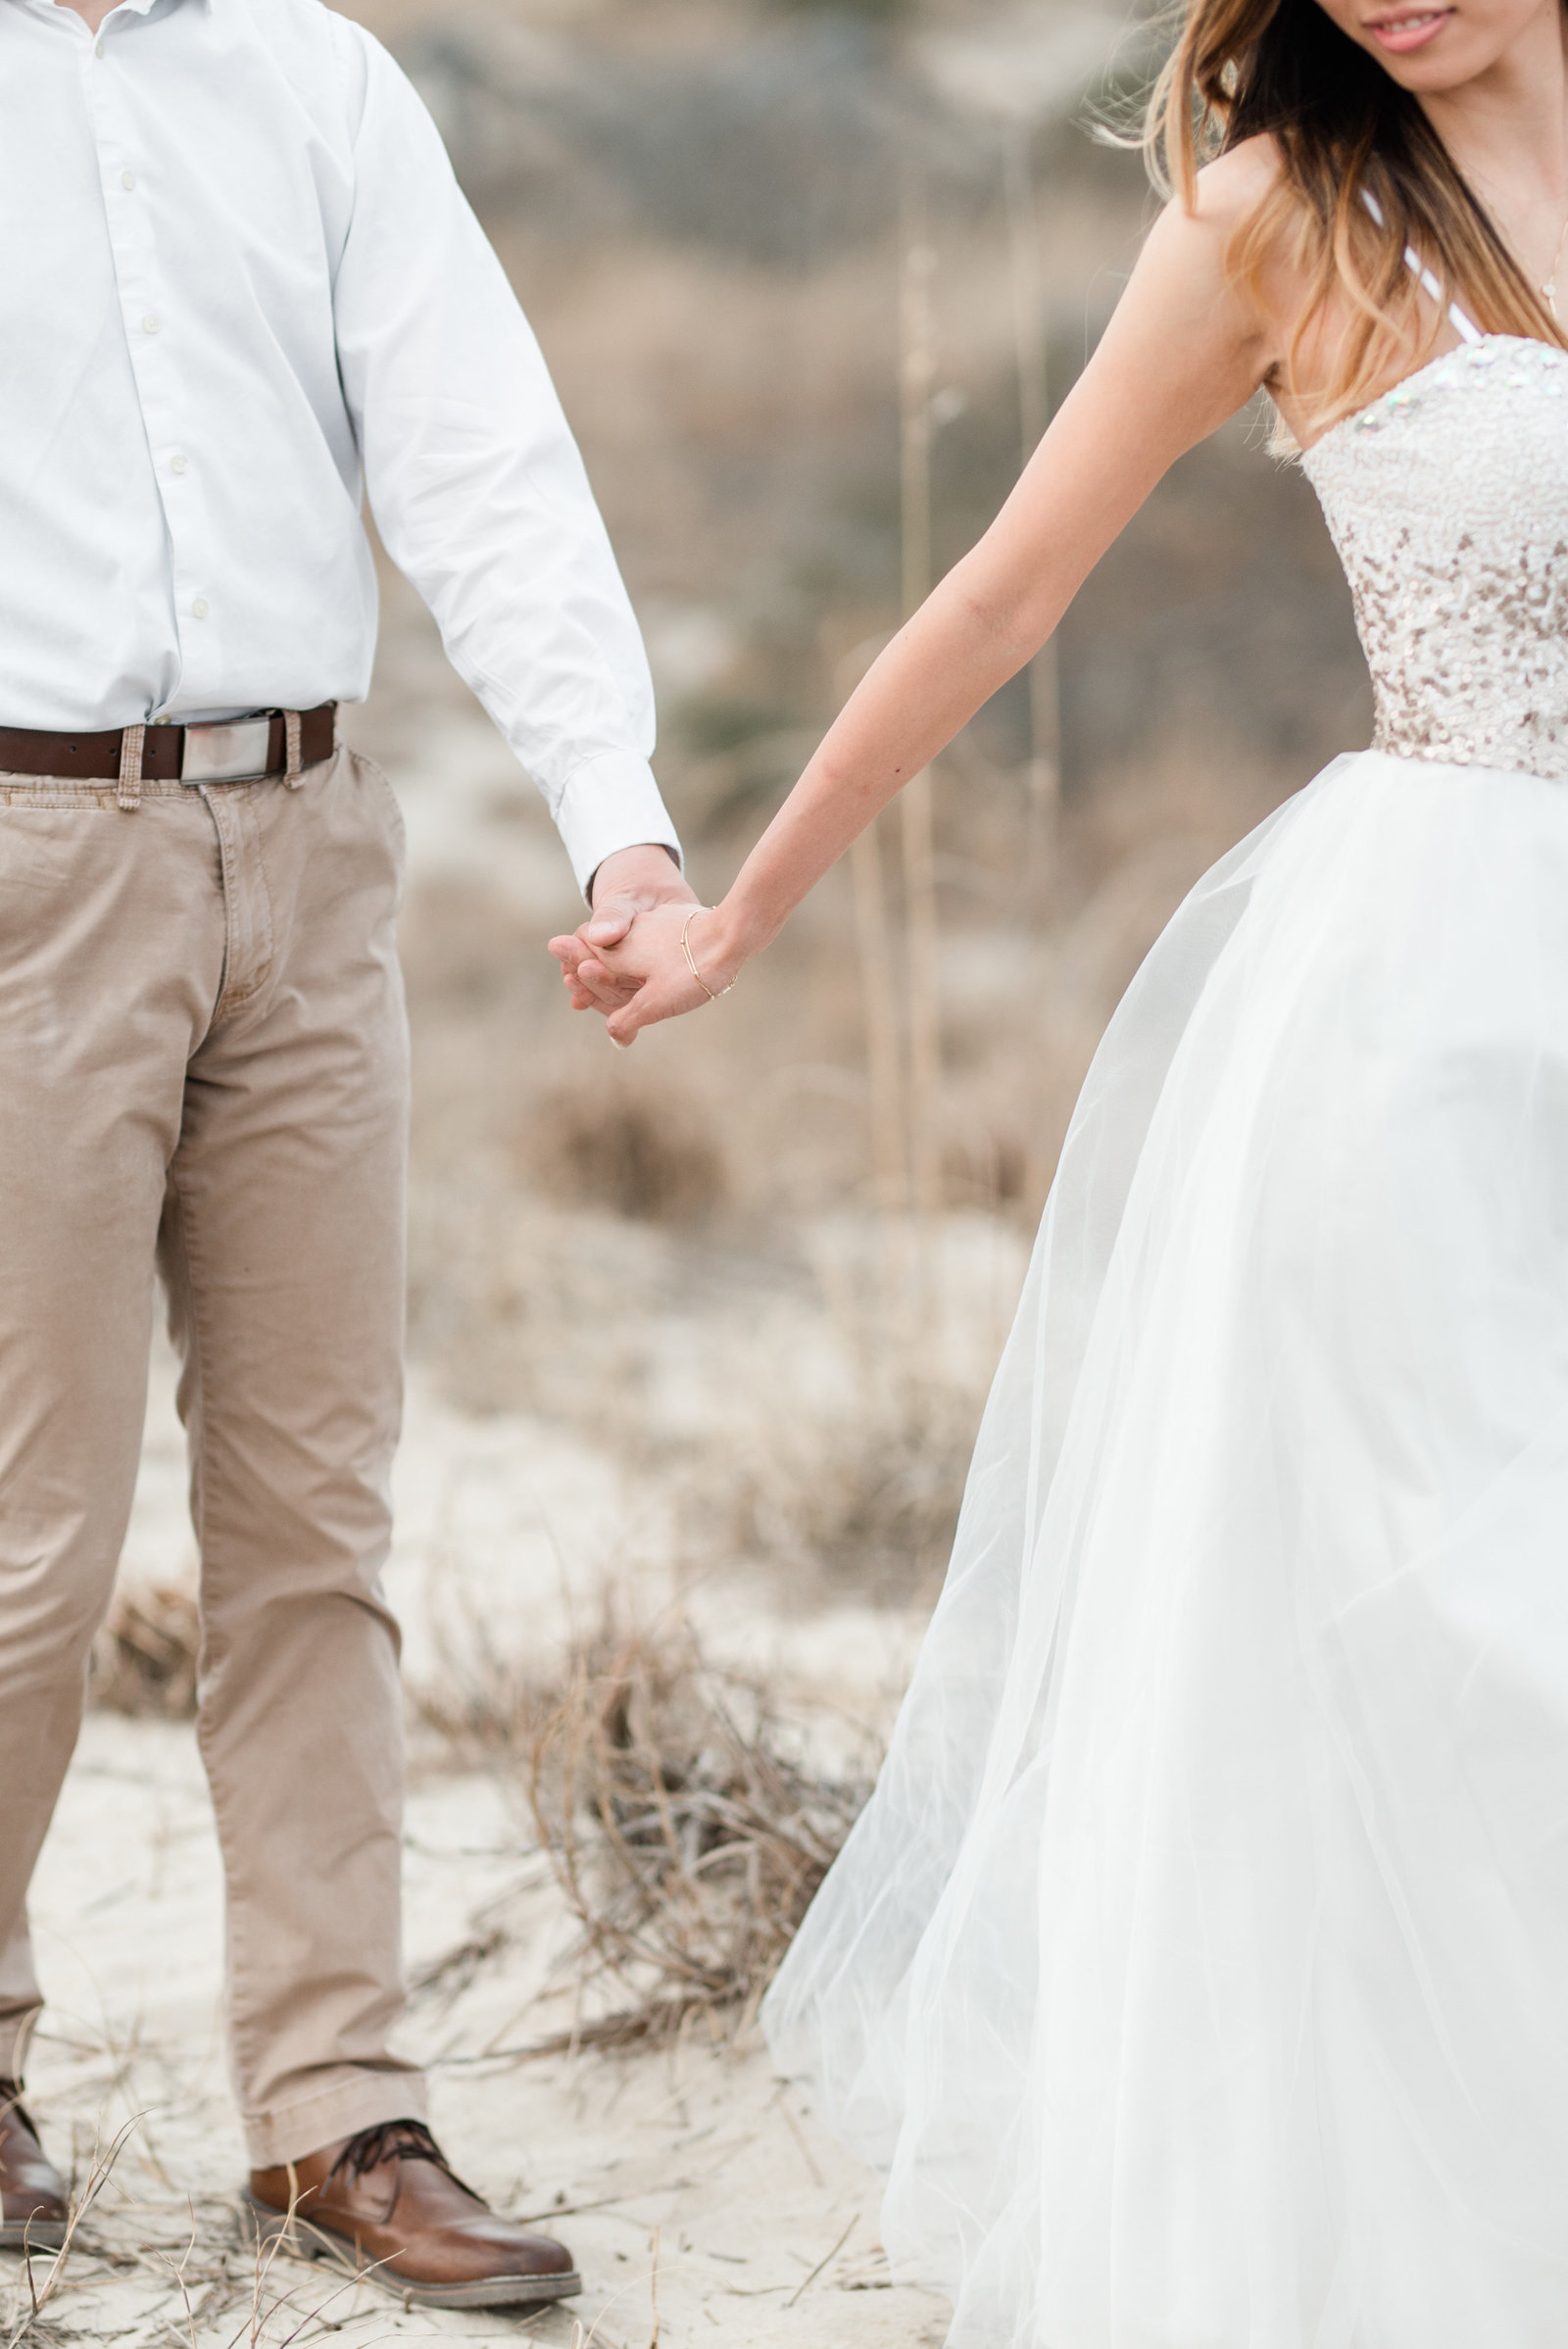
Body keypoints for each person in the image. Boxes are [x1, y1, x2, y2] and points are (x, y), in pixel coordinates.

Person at [552, 0, 1568, 2337]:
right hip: (1411, 1028)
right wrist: (738, 908)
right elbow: (1001, 589)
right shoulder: (1278, 216)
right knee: (1453, 1650)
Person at [0, 0, 698, 2310]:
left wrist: (616, 818)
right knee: (24, 1534)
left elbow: (481, 452)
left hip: (313, 849)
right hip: (24, 857)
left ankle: (334, 2107)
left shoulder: (315, 75)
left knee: (316, 1520)